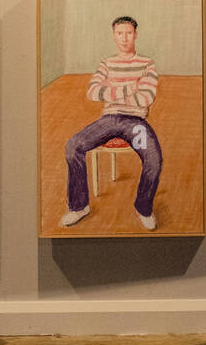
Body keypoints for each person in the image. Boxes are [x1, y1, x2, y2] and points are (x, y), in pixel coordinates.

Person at [59, 15, 162, 231]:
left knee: (153, 157)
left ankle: (143, 208)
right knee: (73, 145)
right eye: (119, 33)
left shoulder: (147, 63)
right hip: (109, 119)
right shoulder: (107, 63)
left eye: (128, 33)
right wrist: (129, 88)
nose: (124, 38)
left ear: (135, 34)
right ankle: (79, 206)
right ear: (114, 36)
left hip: (136, 122)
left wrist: (111, 91)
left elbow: (146, 98)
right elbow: (93, 92)